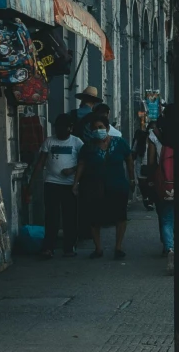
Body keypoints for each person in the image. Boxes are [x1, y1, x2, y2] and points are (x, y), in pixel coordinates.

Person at [76, 101, 133, 258]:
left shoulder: (119, 143)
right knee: (95, 218)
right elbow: (81, 164)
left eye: (100, 127)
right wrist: (76, 183)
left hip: (118, 185)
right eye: (95, 128)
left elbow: (129, 159)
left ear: (107, 129)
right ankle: (98, 248)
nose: (98, 130)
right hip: (95, 187)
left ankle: (118, 247)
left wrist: (132, 178)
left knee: (120, 216)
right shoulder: (88, 146)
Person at [36, 113, 82, 256]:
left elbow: (83, 163)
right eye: (58, 128)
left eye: (63, 128)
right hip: (52, 183)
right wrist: (31, 185)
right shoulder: (49, 142)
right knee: (51, 217)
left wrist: (72, 171)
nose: (60, 131)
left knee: (70, 217)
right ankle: (48, 247)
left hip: (69, 185)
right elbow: (40, 163)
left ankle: (69, 247)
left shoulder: (77, 142)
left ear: (70, 128)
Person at [147, 104, 177, 265]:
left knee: (165, 218)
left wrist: (152, 179)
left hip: (164, 183)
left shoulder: (155, 135)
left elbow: (151, 162)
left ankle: (169, 248)